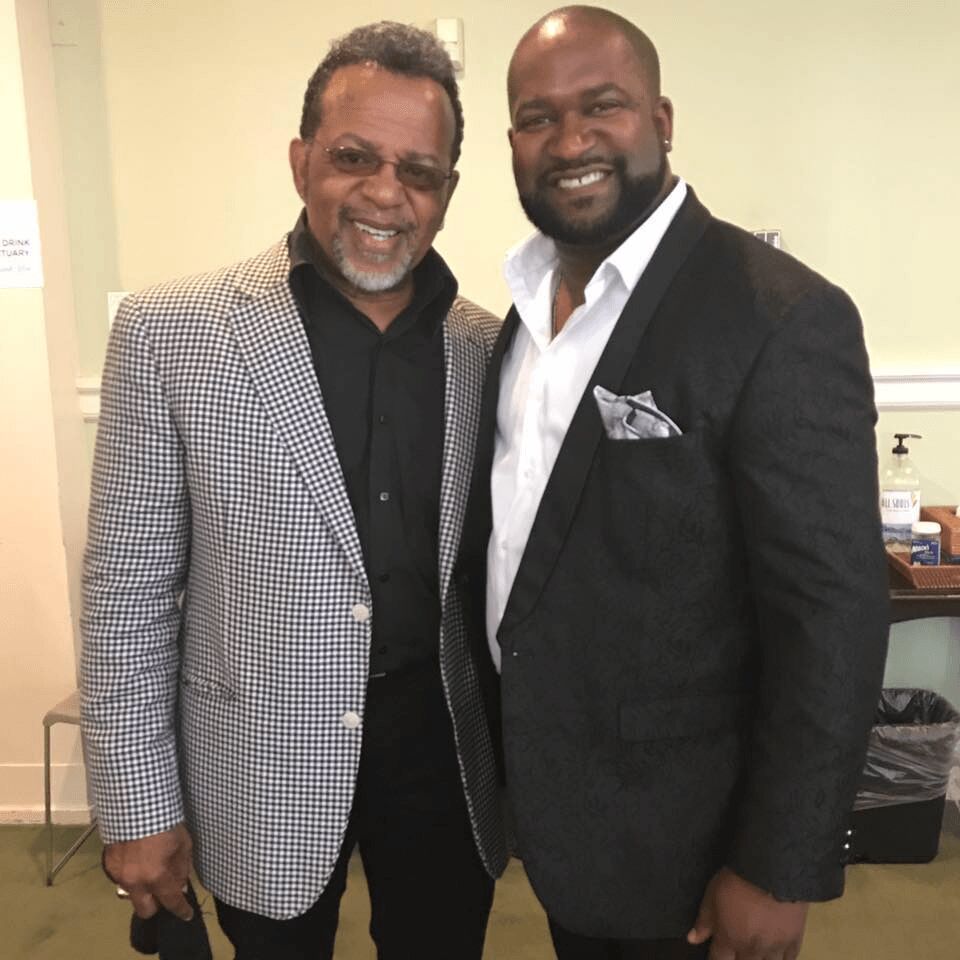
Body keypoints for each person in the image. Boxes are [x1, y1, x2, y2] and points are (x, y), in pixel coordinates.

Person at [460, 6, 889, 959]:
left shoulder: (781, 315)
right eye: (537, 117)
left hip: (692, 843)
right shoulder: (519, 318)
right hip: (562, 814)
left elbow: (833, 615)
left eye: (601, 105)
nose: (570, 140)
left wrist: (780, 862)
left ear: (660, 120)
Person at [81, 21, 507, 960]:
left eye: (418, 171)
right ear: (301, 159)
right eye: (354, 157)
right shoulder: (169, 332)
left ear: (446, 192)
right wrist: (137, 805)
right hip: (258, 758)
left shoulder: (490, 347)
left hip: (443, 753)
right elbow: (127, 593)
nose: (385, 193)